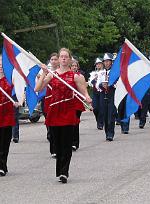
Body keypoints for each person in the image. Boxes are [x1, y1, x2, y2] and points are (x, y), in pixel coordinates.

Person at [35, 48, 92, 183]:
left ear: (70, 59)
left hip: (68, 111)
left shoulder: (75, 76)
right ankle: (60, 169)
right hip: (55, 111)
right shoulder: (52, 75)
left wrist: (87, 97)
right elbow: (37, 89)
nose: (64, 59)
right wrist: (43, 73)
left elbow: (84, 91)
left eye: (66, 57)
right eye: (62, 57)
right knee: (57, 143)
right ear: (59, 59)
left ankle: (64, 172)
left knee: (66, 143)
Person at [96, 53, 117, 140]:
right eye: (105, 61)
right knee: (104, 114)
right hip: (103, 95)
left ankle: (110, 133)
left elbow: (118, 84)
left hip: (112, 94)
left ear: (111, 62)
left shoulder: (115, 72)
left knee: (111, 115)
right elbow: (97, 86)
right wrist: (102, 85)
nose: (106, 63)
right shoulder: (101, 73)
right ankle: (106, 132)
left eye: (108, 61)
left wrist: (110, 85)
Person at [70, 59, 86, 151]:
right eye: (73, 65)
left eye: (76, 66)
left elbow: (83, 89)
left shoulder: (80, 76)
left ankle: (75, 143)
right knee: (69, 123)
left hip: (77, 102)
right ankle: (69, 141)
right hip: (68, 102)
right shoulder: (66, 76)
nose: (74, 67)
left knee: (75, 122)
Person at [88, 57, 104, 130]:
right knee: (95, 108)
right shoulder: (93, 73)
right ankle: (99, 120)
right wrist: (95, 79)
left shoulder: (104, 72)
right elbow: (90, 83)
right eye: (97, 64)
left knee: (101, 107)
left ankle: (100, 123)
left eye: (100, 64)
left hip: (102, 91)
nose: (98, 65)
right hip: (95, 92)